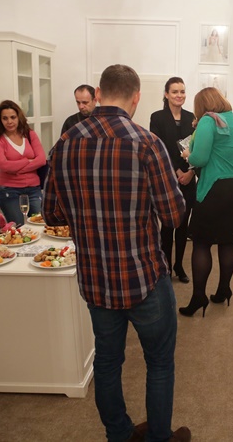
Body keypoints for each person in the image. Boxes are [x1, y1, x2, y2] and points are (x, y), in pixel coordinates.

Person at [42, 64, 190, 442]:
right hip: (144, 275)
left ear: (97, 93)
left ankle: (120, 435)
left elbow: (51, 214)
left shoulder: (64, 143)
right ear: (136, 97)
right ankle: (159, 437)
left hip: (95, 277)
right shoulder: (146, 143)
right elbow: (174, 215)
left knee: (107, 362)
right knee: (159, 362)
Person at [179, 87, 233, 317]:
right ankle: (223, 290)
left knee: (202, 243)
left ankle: (198, 297)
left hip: (217, 187)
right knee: (228, 240)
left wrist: (187, 155)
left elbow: (200, 158)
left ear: (202, 105)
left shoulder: (208, 121)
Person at [150, 77, 197, 284]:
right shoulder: (157, 117)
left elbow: (197, 147)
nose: (179, 95)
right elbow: (158, 148)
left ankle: (179, 265)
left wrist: (191, 172)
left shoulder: (192, 117)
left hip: (189, 177)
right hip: (168, 178)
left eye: (182, 91)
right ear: (166, 94)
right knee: (168, 225)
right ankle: (166, 266)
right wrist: (177, 170)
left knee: (183, 226)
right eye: (175, 91)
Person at [0, 100, 47, 226]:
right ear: (0, 120)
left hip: (34, 189)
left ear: (19, 117)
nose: (9, 122)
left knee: (41, 225)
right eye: (5, 118)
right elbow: (3, 165)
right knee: (20, 228)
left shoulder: (29, 134)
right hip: (10, 191)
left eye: (13, 117)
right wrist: (27, 161)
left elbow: (41, 160)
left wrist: (15, 168)